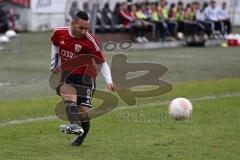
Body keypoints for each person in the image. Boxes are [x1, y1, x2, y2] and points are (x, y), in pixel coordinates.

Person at [50, 10, 115, 146]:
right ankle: (75, 126)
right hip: (68, 74)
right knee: (69, 99)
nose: (84, 31)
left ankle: (81, 135)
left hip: (86, 77)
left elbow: (101, 62)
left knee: (83, 112)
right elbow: (55, 45)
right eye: (81, 27)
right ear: (72, 23)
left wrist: (109, 81)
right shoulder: (59, 32)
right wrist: (54, 63)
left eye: (87, 28)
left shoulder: (90, 40)